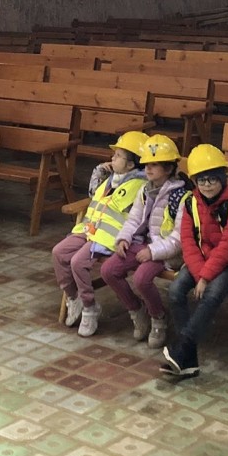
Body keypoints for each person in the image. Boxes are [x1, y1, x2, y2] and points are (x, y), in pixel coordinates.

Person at [162, 145, 228, 379]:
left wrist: (206, 277)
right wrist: (201, 273)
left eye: (212, 179)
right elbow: (188, 241)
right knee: (175, 291)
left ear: (222, 179)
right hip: (200, 262)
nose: (207, 185)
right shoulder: (191, 203)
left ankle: (182, 348)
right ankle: (188, 361)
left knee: (211, 295)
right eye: (201, 180)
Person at [54, 132, 148, 337]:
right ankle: (74, 298)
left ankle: (89, 307)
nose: (112, 158)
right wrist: (98, 172)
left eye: (118, 156)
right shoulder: (111, 179)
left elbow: (138, 218)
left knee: (78, 262)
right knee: (59, 252)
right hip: (90, 229)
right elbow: (93, 195)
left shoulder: (139, 186)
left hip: (109, 237)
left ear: (131, 164)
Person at [102, 134, 187, 349]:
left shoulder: (181, 196)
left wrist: (153, 251)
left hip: (165, 252)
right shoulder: (144, 189)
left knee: (141, 278)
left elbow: (178, 238)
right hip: (142, 244)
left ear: (168, 168)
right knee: (108, 270)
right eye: (146, 163)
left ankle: (158, 317)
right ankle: (136, 310)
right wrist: (124, 238)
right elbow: (133, 220)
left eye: (154, 164)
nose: (148, 168)